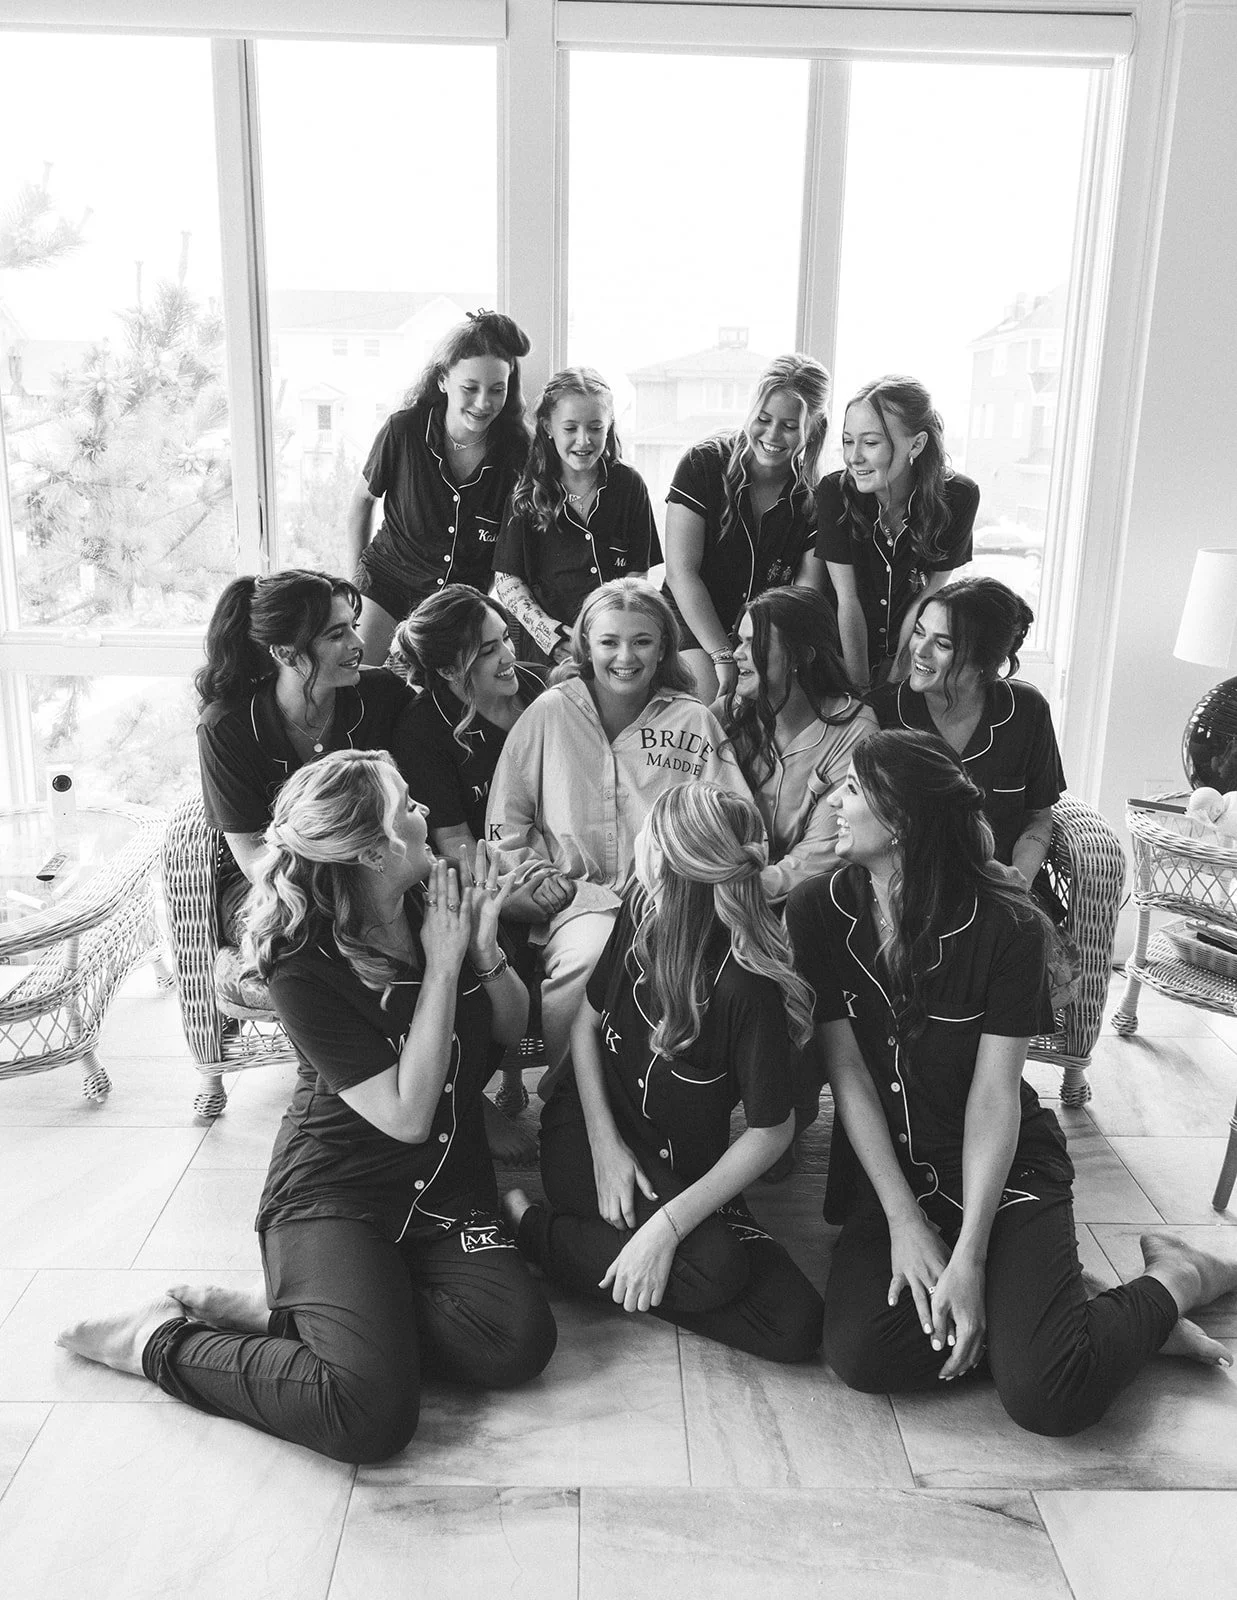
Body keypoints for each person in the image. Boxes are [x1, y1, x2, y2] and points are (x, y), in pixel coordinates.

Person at [57, 750, 558, 1463]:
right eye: (407, 808)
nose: (424, 816)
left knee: (516, 1345)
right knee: (367, 1415)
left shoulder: (435, 903)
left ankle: (289, 1316)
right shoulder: (302, 964)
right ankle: (155, 1341)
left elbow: (510, 1029)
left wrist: (480, 952)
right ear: (373, 852)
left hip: (448, 1195)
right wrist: (443, 969)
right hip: (336, 1194)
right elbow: (407, 1115)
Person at [785, 730, 1237, 1435]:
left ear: (900, 822)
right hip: (894, 1175)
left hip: (1003, 1165)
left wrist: (967, 1256)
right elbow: (847, 1075)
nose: (833, 805)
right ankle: (1060, 1314)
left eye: (851, 792)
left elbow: (993, 1097)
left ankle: (1173, 1280)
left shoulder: (1006, 926)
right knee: (861, 1354)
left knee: (1049, 1400)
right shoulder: (817, 909)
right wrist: (905, 1222)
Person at [503, 783, 824, 1360]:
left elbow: (771, 1128)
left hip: (682, 1169)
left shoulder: (747, 986)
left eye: (649, 833)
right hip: (586, 1140)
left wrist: (666, 1229)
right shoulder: (638, 911)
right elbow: (585, 1026)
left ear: (672, 861)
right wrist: (605, 1147)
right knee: (720, 1268)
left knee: (795, 1327)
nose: (639, 842)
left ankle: (610, 1262)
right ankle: (533, 1229)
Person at [486, 576, 752, 1099]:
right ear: (587, 645)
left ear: (663, 650)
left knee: (679, 976)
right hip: (577, 902)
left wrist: (692, 882)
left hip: (672, 901)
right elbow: (505, 824)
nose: (624, 656)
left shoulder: (692, 721)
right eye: (609, 641)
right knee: (586, 961)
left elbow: (737, 820)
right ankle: (570, 1106)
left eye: (642, 641)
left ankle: (654, 1102)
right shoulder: (550, 712)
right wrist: (534, 880)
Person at [388, 584, 574, 1119]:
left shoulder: (538, 689)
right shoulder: (423, 729)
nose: (509, 656)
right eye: (488, 651)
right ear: (449, 671)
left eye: (506, 639)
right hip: (490, 878)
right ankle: (473, 1101)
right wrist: (512, 900)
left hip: (565, 856)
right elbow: (456, 846)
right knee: (490, 960)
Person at [196, 569, 413, 936]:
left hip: (376, 866)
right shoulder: (226, 728)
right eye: (337, 634)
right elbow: (254, 861)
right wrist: (351, 889)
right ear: (284, 652)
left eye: (354, 626)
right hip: (272, 886)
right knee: (322, 930)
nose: (358, 643)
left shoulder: (385, 696)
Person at [346, 310, 532, 665]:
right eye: (470, 388)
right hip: (388, 583)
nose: (483, 402)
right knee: (364, 686)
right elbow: (361, 503)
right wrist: (352, 591)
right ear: (443, 380)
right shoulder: (403, 431)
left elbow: (513, 545)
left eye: (497, 389)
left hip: (460, 601)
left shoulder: (517, 451)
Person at [870, 576, 1063, 901]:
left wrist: (1019, 878)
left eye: (942, 644)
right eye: (919, 632)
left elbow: (1039, 818)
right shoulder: (879, 714)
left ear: (983, 660)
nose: (921, 650)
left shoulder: (1028, 710)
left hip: (1003, 895)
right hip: (905, 894)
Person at [662, 353, 831, 703]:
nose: (772, 435)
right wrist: (724, 655)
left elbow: (803, 597)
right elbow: (681, 573)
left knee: (773, 701)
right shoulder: (703, 463)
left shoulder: (816, 497)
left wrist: (757, 655)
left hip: (765, 636)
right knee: (713, 699)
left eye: (788, 426)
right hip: (693, 622)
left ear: (813, 428)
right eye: (763, 419)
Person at [816, 376, 979, 689]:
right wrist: (861, 689)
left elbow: (927, 598)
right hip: (840, 659)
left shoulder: (959, 497)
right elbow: (847, 600)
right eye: (849, 441)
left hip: (912, 658)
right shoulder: (834, 493)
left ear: (916, 444)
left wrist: (893, 686)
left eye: (871, 442)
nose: (854, 457)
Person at [719, 585, 875, 903]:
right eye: (740, 640)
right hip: (729, 887)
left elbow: (823, 852)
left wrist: (741, 891)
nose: (736, 654)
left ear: (801, 656)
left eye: (755, 643)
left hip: (810, 900)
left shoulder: (854, 729)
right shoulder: (728, 713)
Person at [494, 367, 661, 663]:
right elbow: (507, 579)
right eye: (570, 428)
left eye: (595, 427)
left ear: (609, 425)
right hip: (547, 651)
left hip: (615, 648)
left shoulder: (629, 485)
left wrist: (613, 638)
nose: (584, 441)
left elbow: (638, 576)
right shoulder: (526, 490)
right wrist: (552, 637)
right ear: (548, 426)